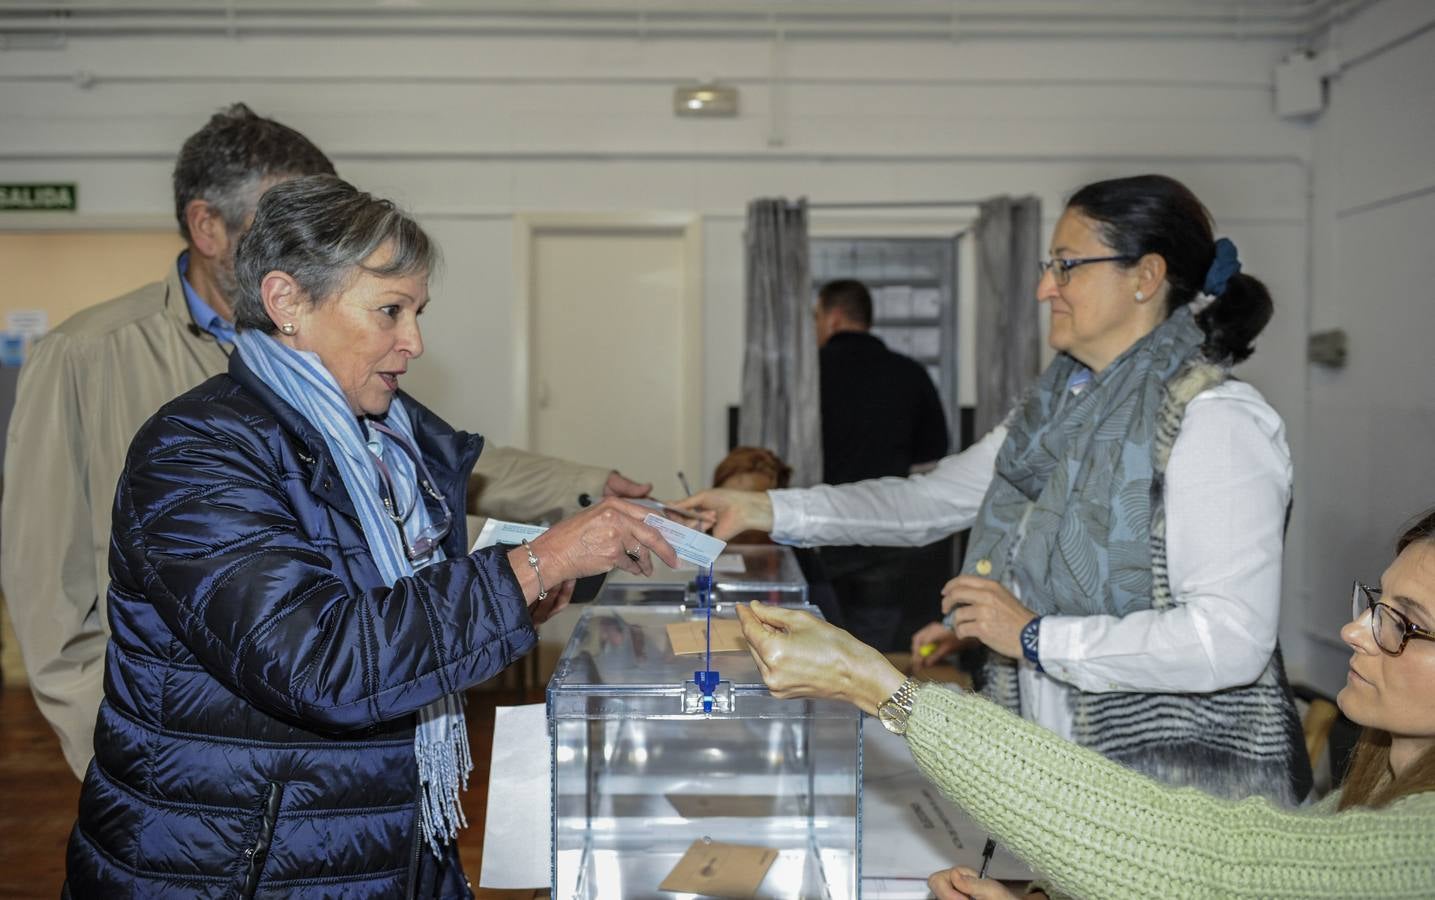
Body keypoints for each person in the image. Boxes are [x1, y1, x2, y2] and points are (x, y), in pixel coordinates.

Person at [63, 175, 681, 898]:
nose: (413, 342)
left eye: (416, 312)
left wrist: (545, 578)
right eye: (389, 311)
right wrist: (536, 565)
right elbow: (321, 660)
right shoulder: (196, 451)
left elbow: (402, 603)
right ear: (287, 301)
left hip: (378, 840)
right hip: (235, 865)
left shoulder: (385, 439)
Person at [2, 102, 646, 779]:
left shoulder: (351, 375)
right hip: (205, 760)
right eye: (284, 215)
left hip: (338, 760)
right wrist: (105, 747)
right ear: (209, 227)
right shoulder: (109, 367)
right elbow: (47, 574)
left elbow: (436, 484)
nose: (306, 233)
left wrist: (564, 526)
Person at [680, 174, 1310, 803]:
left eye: (1066, 267)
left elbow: (1228, 642)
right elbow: (926, 501)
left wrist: (1033, 635)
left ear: (1145, 276)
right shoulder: (1054, 412)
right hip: (1060, 783)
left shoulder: (1217, 420)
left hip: (1186, 805)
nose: (1044, 289)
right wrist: (759, 506)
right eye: (1048, 266)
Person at [735, 507, 1435, 899]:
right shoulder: (1376, 776)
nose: (1353, 630)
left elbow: (1205, 861)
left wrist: (877, 686)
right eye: (1376, 603)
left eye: (1403, 622)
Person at [812, 278, 952, 651]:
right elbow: (934, 450)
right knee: (872, 652)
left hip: (821, 531)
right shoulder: (909, 373)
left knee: (820, 647)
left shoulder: (810, 375)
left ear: (834, 318)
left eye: (816, 316)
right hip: (886, 531)